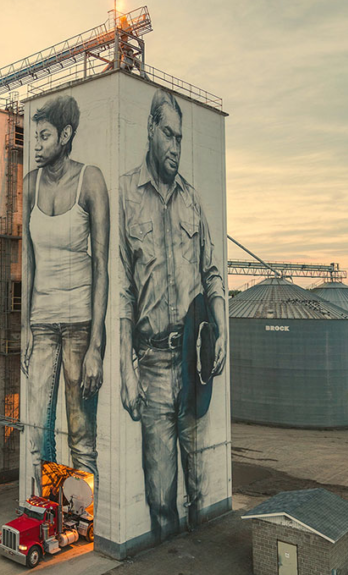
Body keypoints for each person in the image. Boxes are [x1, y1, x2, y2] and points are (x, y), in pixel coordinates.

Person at [118, 88, 227, 540]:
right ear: (150, 131)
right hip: (154, 369)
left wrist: (221, 328)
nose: (176, 147)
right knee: (161, 496)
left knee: (199, 487)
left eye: (181, 138)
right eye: (169, 135)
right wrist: (125, 367)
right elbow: (122, 291)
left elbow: (213, 272)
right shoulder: (125, 194)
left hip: (195, 363)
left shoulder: (193, 201)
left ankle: (202, 552)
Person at [22, 95, 109, 492]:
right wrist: (25, 327)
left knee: (81, 438)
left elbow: (102, 265)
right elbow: (28, 264)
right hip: (41, 327)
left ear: (66, 135)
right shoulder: (29, 186)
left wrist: (96, 346)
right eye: (33, 136)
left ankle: (85, 521)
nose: (35, 144)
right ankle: (50, 509)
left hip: (79, 326)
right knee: (38, 434)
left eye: (43, 136)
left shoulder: (90, 180)